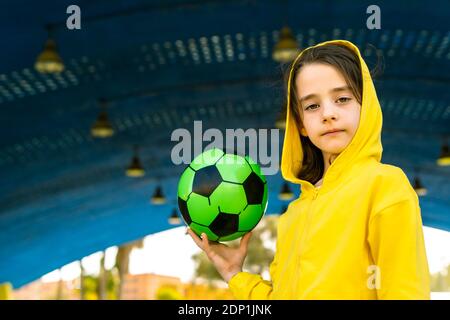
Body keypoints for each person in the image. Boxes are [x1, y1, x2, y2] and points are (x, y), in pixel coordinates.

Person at [187, 39, 430, 299]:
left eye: (343, 98)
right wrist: (234, 274)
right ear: (300, 123)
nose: (328, 113)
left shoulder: (385, 186)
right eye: (312, 105)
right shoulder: (294, 213)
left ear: (366, 105)